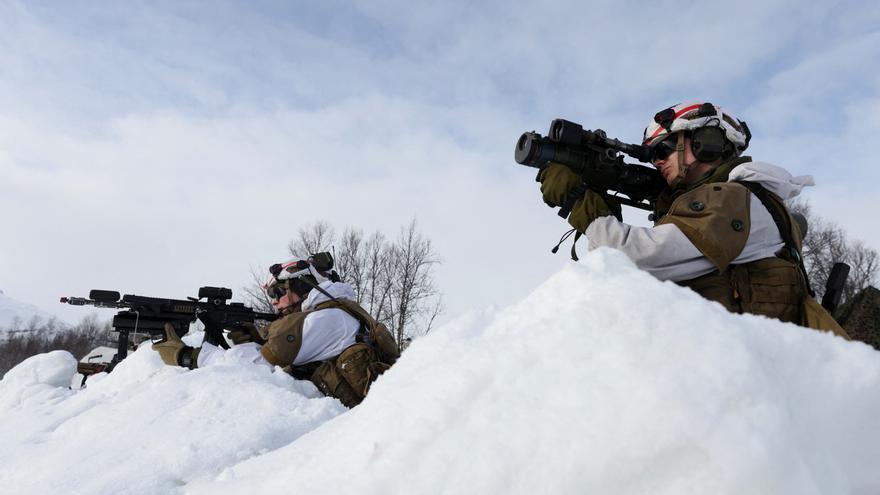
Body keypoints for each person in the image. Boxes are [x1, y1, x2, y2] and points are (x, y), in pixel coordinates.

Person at [539, 101, 848, 337]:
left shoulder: (732, 199)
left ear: (705, 142)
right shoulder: (749, 198)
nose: (657, 161)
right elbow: (614, 274)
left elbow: (632, 259)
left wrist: (577, 200)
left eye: (663, 149)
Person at [152, 253, 398, 407]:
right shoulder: (339, 311)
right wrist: (259, 339)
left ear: (302, 285)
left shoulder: (324, 319)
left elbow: (251, 368)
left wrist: (187, 356)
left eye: (277, 292)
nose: (273, 301)